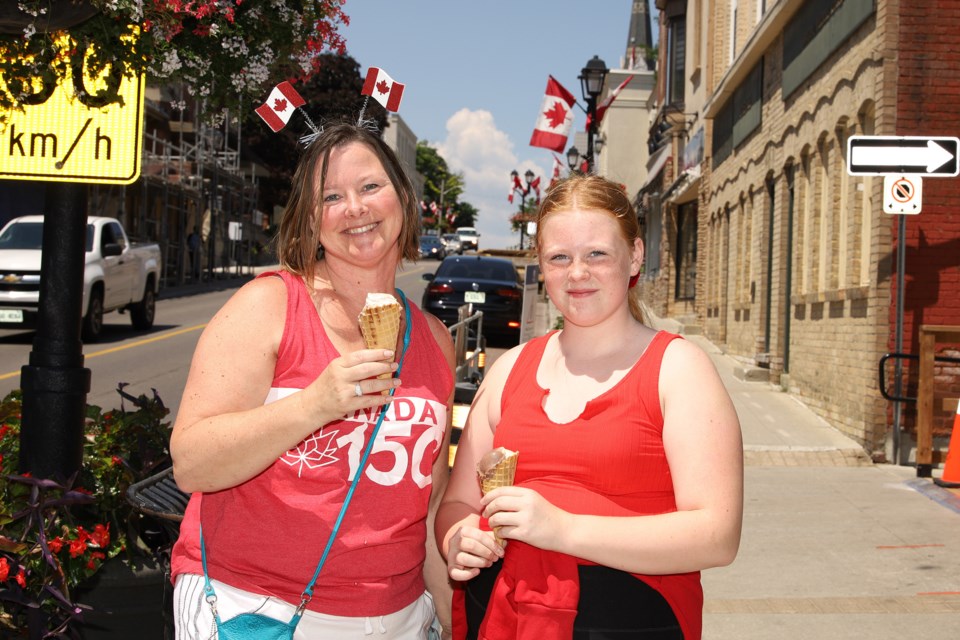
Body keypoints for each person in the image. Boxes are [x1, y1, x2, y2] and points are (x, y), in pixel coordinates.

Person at [169, 122, 455, 639]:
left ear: (404, 199)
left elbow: (429, 503)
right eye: (331, 196)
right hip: (258, 609)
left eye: (370, 187)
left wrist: (453, 618)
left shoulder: (434, 338)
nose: (355, 208)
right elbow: (192, 462)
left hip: (400, 616)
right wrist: (314, 404)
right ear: (310, 220)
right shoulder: (271, 304)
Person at [436, 174, 743, 640]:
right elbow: (459, 501)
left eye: (596, 253)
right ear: (540, 265)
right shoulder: (510, 369)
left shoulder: (678, 369)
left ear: (635, 255)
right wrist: (458, 537)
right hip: (503, 616)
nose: (577, 273)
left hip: (633, 622)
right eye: (560, 257)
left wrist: (564, 529)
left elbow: (717, 535)